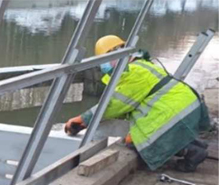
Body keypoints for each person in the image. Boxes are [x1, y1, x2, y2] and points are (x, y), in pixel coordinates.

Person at [65, 35, 212, 172]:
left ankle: (192, 152)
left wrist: (82, 120)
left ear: (114, 55)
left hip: (174, 110)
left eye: (104, 59)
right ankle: (195, 145)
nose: (103, 65)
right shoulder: (140, 65)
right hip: (186, 106)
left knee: (139, 143)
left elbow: (113, 105)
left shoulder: (131, 73)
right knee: (144, 133)